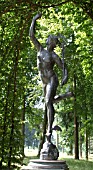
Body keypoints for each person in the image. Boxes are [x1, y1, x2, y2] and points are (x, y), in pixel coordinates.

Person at [29, 13, 68, 142]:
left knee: (47, 102)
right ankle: (66, 95)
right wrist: (34, 20)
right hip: (44, 81)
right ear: (49, 41)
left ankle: (49, 130)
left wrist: (65, 76)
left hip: (52, 79)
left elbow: (63, 67)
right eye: (53, 41)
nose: (53, 44)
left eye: (55, 43)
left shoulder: (54, 56)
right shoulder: (40, 49)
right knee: (49, 102)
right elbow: (31, 36)